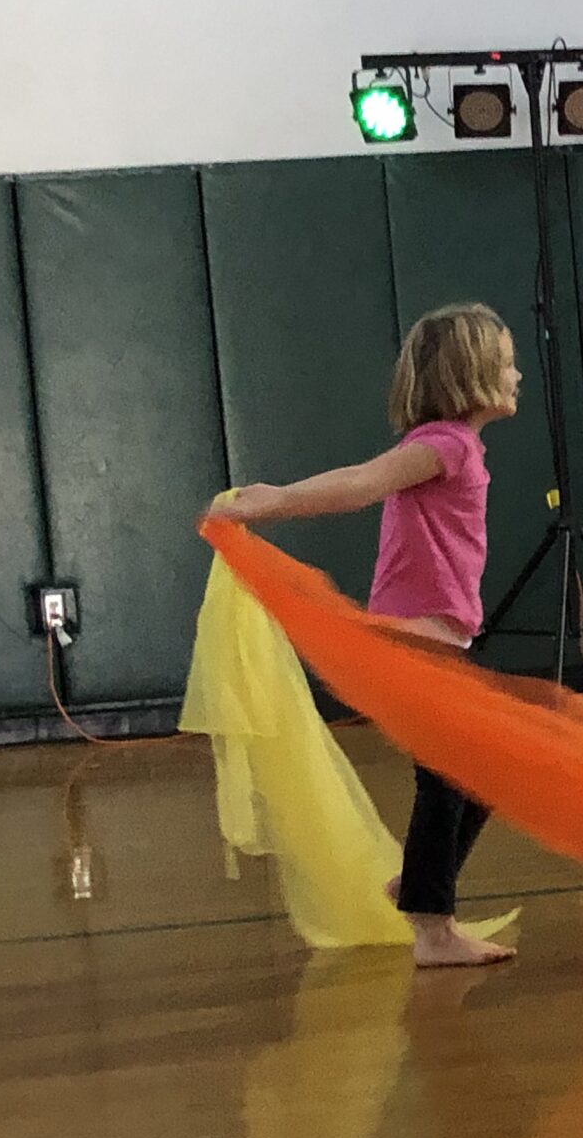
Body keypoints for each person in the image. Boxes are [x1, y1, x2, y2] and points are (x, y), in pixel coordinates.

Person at [209, 303, 522, 965]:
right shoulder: (442, 445)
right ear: (471, 376)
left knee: (483, 768)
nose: (517, 374)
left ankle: (420, 885)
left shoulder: (453, 446)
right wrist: (273, 500)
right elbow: (361, 484)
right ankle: (432, 929)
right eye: (506, 363)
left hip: (435, 639)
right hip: (414, 642)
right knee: (451, 775)